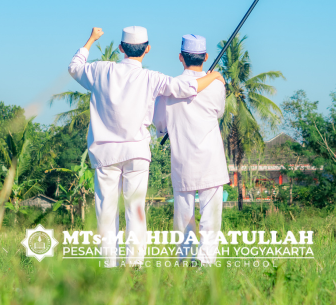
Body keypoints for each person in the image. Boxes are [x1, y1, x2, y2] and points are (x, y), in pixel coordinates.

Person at [68, 26, 224, 268]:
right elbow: (185, 88)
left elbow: (74, 67)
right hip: (137, 154)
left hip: (105, 154)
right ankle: (135, 263)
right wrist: (213, 76)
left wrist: (91, 40)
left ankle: (109, 264)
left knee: (106, 211)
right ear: (147, 49)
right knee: (135, 209)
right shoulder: (152, 78)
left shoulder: (100, 70)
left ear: (121, 48)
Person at [154, 34, 229, 266]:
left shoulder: (167, 88)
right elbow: (219, 113)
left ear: (180, 58)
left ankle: (184, 261)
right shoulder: (216, 84)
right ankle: (205, 263)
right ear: (205, 57)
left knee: (183, 217)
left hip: (182, 159)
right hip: (210, 159)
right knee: (211, 217)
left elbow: (160, 125)